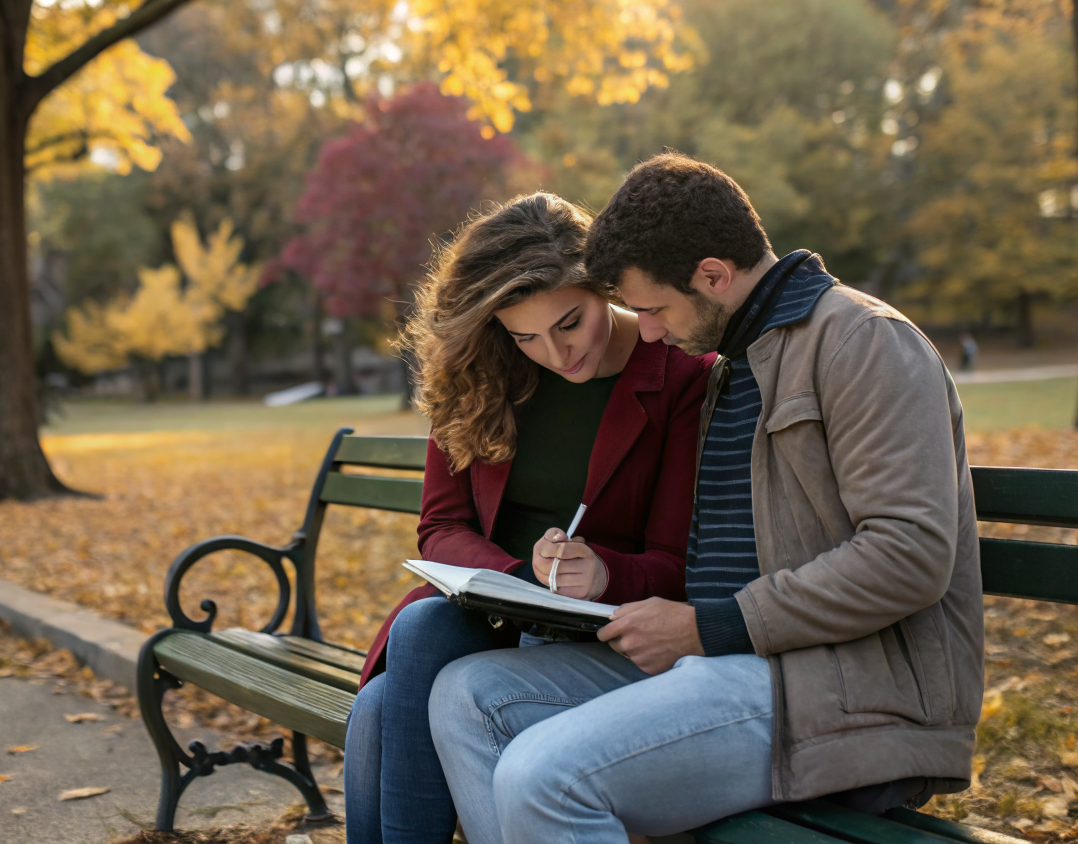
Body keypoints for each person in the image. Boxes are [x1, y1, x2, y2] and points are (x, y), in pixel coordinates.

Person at [429, 154, 984, 844]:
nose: (649, 332)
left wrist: (706, 626)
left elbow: (908, 558)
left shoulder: (862, 342)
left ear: (714, 276)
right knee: (468, 697)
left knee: (541, 777)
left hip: (839, 689)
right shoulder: (740, 363)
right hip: (725, 665)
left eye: (655, 309)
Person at [343, 193, 712, 844]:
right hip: (489, 614)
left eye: (570, 322)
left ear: (603, 285)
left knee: (388, 689)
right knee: (414, 646)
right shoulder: (478, 371)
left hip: (602, 635)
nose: (555, 352)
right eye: (525, 336)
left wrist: (599, 573)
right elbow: (440, 528)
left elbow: (678, 565)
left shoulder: (680, 376)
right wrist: (518, 577)